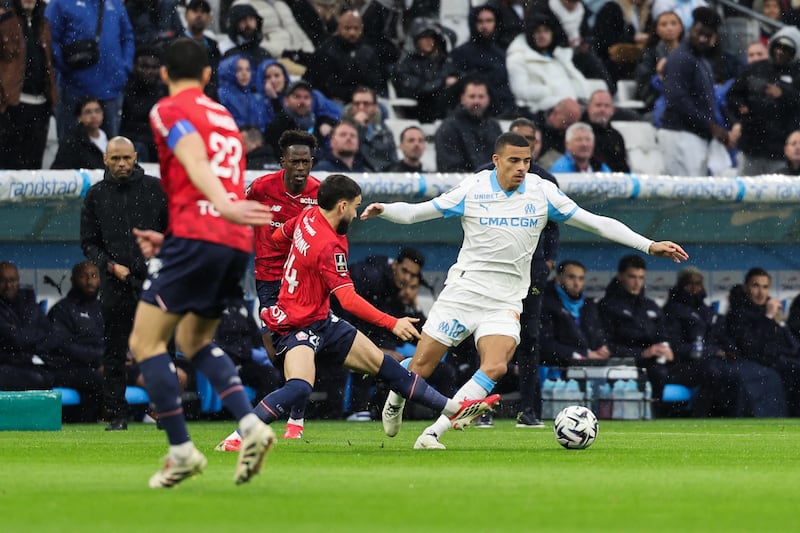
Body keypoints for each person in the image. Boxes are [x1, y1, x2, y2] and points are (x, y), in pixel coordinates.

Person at [363, 132, 688, 450]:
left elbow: (596, 222)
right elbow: (421, 211)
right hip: (463, 292)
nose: (522, 167)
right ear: (496, 161)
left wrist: (649, 245)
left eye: (527, 161)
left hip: (505, 300)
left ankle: (434, 433)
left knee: (496, 366)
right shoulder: (474, 188)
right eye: (514, 161)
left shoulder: (542, 192)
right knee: (422, 366)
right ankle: (396, 398)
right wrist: (386, 210)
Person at [215, 174, 498, 449]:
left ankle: (454, 409)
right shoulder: (330, 245)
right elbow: (348, 300)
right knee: (300, 386)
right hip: (297, 326)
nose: (356, 212)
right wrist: (392, 323)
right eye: (355, 205)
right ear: (342, 205)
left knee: (387, 368)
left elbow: (277, 237)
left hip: (321, 319)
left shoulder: (307, 216)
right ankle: (239, 435)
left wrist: (296, 272)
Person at [128, 38, 275, 489]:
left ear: (166, 74)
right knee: (194, 340)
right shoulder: (225, 116)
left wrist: (222, 206)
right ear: (210, 76)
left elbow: (192, 157)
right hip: (229, 243)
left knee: (145, 343)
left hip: (204, 231)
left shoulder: (168, 108)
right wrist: (199, 223)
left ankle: (181, 451)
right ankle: (251, 425)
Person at [80, 136, 167, 430]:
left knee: (161, 349)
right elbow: (88, 243)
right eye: (115, 159)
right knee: (115, 352)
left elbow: (173, 233)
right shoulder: (95, 195)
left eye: (126, 158)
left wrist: (157, 264)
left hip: (152, 282)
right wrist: (109, 266)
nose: (121, 164)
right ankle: (117, 414)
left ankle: (164, 410)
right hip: (114, 284)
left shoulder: (156, 189)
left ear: (135, 157)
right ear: (105, 159)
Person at [242, 129, 320, 442]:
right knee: (279, 350)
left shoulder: (319, 193)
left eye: (306, 162)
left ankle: (295, 419)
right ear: (282, 162)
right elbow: (237, 214)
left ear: (312, 162)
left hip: (304, 281)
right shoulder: (260, 188)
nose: (301, 168)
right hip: (270, 280)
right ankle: (286, 407)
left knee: (299, 345)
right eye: (295, 161)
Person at [598, 254, 678, 413]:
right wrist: (642, 353)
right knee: (657, 373)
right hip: (623, 364)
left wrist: (667, 350)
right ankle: (654, 416)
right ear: (620, 276)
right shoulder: (607, 306)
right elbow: (606, 346)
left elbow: (664, 335)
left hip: (656, 363)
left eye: (641, 277)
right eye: (632, 277)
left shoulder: (650, 305)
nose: (637, 282)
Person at [658, 7, 733, 177]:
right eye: (698, 33)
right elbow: (677, 99)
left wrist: (713, 126)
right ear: (690, 29)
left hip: (694, 135)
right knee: (684, 196)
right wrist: (710, 126)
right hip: (679, 134)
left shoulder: (700, 59)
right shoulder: (681, 57)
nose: (701, 39)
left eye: (707, 36)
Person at [46, 0, 135, 140]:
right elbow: (50, 38)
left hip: (111, 91)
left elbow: (127, 37)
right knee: (70, 150)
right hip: (74, 92)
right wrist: (67, 69)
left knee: (110, 151)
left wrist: (124, 69)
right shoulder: (60, 3)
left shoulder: (115, 3)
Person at [726, 267, 799, 416]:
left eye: (765, 287)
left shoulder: (771, 312)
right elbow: (751, 347)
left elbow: (793, 347)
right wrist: (768, 318)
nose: (761, 292)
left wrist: (780, 323)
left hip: (777, 360)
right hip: (754, 363)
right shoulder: (738, 314)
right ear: (746, 288)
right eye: (756, 286)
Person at [727, 28, 800, 176]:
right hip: (751, 146)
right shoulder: (755, 68)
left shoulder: (797, 74)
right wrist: (740, 107)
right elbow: (732, 95)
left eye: (786, 49)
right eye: (777, 47)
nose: (780, 52)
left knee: (777, 195)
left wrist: (783, 94)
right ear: (771, 46)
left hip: (781, 151)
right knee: (745, 193)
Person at [44, 261, 104, 422]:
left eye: (94, 276)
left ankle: (153, 416)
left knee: (145, 371)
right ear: (73, 280)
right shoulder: (62, 310)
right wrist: (98, 359)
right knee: (95, 378)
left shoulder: (102, 308)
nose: (89, 281)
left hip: (101, 365)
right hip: (69, 368)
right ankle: (88, 422)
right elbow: (64, 346)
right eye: (84, 276)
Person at [0, 0, 57, 170]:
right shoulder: (6, 21)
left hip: (41, 103)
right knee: (10, 164)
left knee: (34, 164)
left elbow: (48, 61)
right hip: (12, 104)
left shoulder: (44, 24)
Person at [450, 3, 518, 118]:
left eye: (489, 20)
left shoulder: (502, 53)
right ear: (473, 23)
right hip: (476, 112)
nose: (484, 25)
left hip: (504, 111)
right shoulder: (461, 52)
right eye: (480, 21)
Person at [303, 10, 383, 104]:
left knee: (382, 110)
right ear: (339, 29)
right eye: (347, 28)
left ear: (361, 30)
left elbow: (375, 82)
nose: (352, 33)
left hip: (362, 99)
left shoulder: (368, 52)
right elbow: (327, 86)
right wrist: (354, 94)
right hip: (332, 100)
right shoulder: (326, 50)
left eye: (356, 28)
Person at [540, 260, 610, 366]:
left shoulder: (589, 305)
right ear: (559, 278)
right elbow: (545, 345)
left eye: (581, 278)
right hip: (556, 369)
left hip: (588, 367)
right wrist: (584, 354)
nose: (577, 283)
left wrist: (602, 348)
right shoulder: (544, 303)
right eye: (571, 277)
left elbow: (597, 334)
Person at [392, 18, 458, 122]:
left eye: (431, 37)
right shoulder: (405, 65)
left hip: (445, 111)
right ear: (415, 40)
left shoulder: (444, 61)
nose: (428, 41)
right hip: (417, 111)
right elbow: (419, 89)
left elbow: (457, 77)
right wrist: (443, 82)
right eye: (423, 37)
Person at [0, 261, 53, 391]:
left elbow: (48, 334)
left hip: (27, 362)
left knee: (51, 376)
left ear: (18, 280)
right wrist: (29, 336)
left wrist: (23, 336)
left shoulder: (28, 302)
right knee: (37, 380)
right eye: (2, 281)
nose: (8, 285)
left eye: (12, 280)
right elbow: (15, 339)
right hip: (4, 364)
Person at [434, 77, 503, 172]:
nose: (476, 101)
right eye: (472, 96)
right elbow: (449, 167)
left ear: (488, 99)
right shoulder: (448, 128)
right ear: (462, 99)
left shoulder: (494, 127)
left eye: (481, 96)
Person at [256, 58, 340, 129]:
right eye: (268, 77)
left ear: (284, 77)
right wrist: (274, 100)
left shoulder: (307, 93)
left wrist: (326, 122)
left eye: (277, 75)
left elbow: (335, 113)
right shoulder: (259, 103)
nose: (273, 81)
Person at [263, 80, 337, 161]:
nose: (302, 102)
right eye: (297, 97)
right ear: (286, 101)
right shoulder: (277, 125)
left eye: (306, 97)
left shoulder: (318, 124)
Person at [120, 46, 166, 163]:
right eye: (144, 67)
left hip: (157, 142)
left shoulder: (165, 91)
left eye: (154, 67)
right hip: (134, 141)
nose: (149, 71)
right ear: (135, 67)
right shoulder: (125, 90)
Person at [634, 11, 684, 115]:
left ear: (681, 27)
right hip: (657, 102)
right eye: (664, 24)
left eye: (673, 23)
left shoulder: (690, 53)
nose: (669, 28)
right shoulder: (649, 54)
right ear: (657, 30)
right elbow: (643, 85)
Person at [342, 85, 398, 171]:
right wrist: (358, 126)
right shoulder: (341, 129)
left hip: (381, 178)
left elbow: (393, 160)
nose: (361, 107)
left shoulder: (384, 131)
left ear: (375, 107)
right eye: (357, 104)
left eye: (366, 104)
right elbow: (345, 155)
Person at [51, 97, 108, 170]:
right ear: (79, 117)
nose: (94, 115)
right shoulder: (71, 142)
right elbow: (59, 170)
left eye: (97, 111)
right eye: (88, 112)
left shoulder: (110, 138)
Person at [582, 89, 631, 172]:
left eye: (606, 106)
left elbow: (623, 168)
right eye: (598, 105)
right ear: (588, 108)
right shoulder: (578, 134)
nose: (602, 110)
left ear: (613, 110)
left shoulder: (616, 137)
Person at [181, 0, 221, 99]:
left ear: (209, 18)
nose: (199, 15)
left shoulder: (213, 46)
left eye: (203, 12)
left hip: (207, 97)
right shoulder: (174, 43)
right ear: (186, 16)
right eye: (195, 11)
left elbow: (215, 76)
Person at [217, 54, 268, 132]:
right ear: (229, 71)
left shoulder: (251, 95)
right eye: (239, 69)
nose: (244, 73)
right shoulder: (221, 94)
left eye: (248, 69)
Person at [533, 97, 582, 169]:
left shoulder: (568, 133)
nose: (569, 128)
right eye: (567, 122)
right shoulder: (534, 124)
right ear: (555, 112)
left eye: (573, 124)